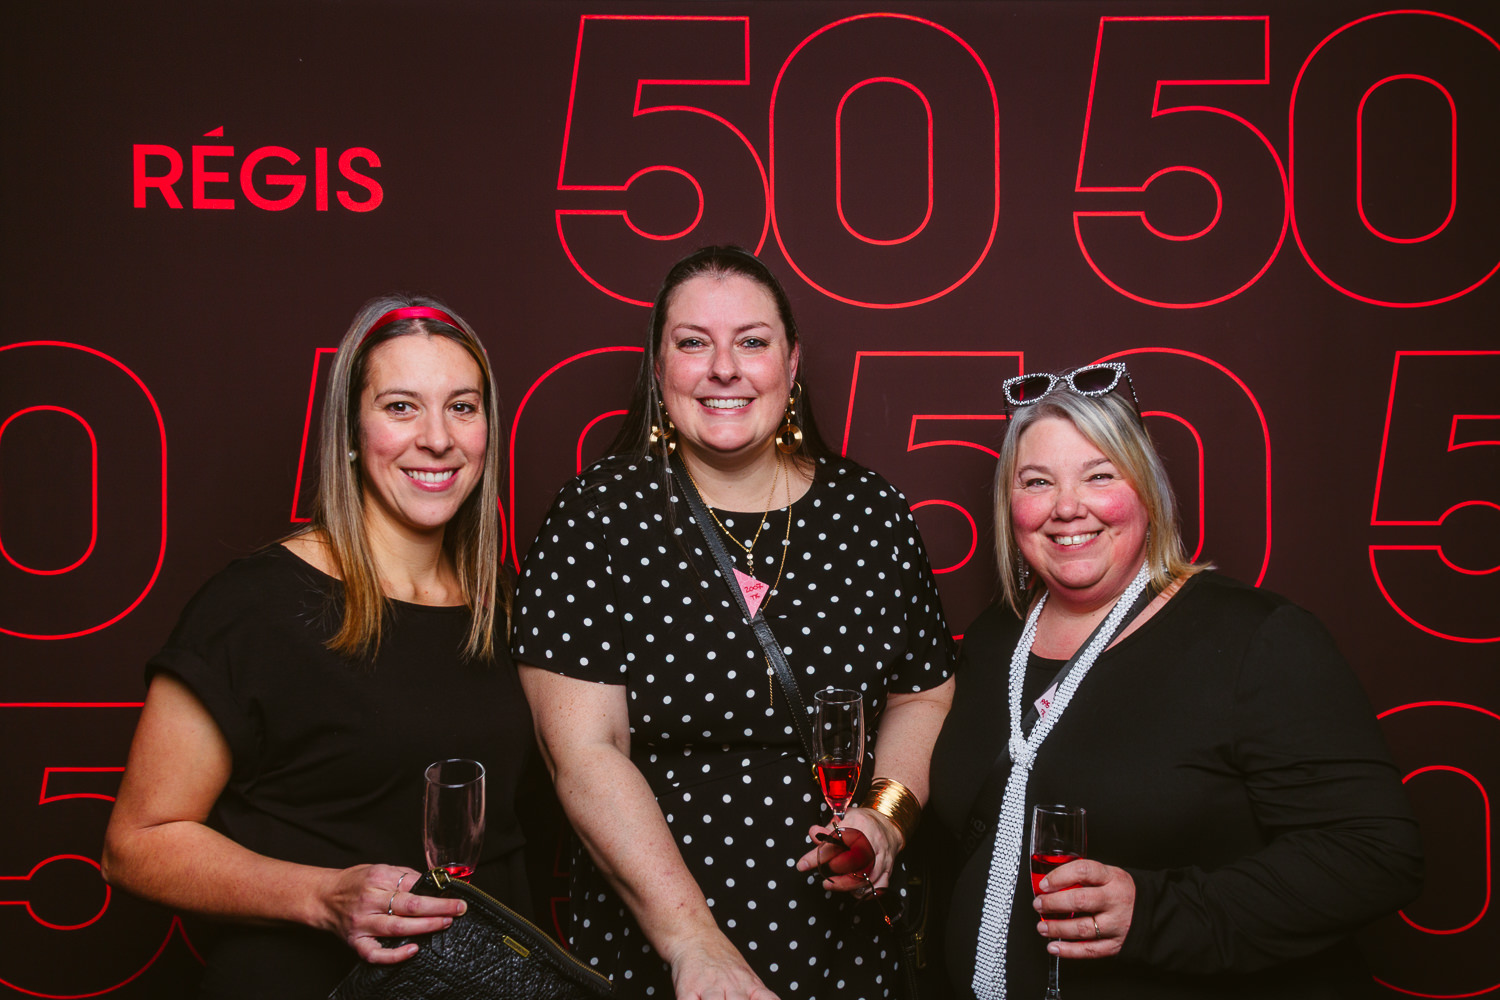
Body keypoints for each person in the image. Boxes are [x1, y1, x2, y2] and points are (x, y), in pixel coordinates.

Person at [513, 246, 956, 999]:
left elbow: (923, 693)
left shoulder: (871, 512)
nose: (724, 368)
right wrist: (693, 943)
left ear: (792, 362)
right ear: (659, 369)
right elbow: (584, 754)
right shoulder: (596, 516)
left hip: (843, 950)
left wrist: (885, 818)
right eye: (694, 343)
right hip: (660, 949)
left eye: (752, 341)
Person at [928, 362, 1423, 999]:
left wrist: (1155, 912)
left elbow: (1376, 854)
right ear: (1010, 505)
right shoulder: (996, 638)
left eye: (1100, 475)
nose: (1067, 507)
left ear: (1146, 489)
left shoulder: (1256, 639)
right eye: (1037, 482)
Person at [102, 296, 536, 999]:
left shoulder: (509, 607)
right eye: (401, 407)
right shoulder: (256, 605)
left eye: (462, 407)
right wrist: (323, 895)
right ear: (351, 432)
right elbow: (137, 844)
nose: (437, 438)